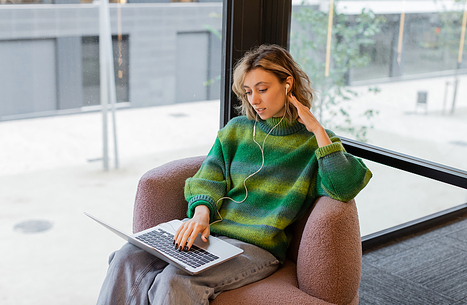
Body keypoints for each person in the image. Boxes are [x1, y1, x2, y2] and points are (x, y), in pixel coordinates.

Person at [96, 44, 372, 305]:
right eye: (248, 91)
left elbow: (344, 187)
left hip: (256, 249)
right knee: (127, 258)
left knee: (176, 280)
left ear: (288, 84)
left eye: (262, 89)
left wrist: (317, 129)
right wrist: (201, 214)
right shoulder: (237, 130)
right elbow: (209, 175)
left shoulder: (314, 143)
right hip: (212, 238)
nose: (255, 100)